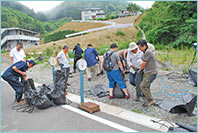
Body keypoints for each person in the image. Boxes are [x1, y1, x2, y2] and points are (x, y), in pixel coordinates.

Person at [137, 39, 158, 107]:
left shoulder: (148, 52)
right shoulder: (145, 52)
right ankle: (148, 98)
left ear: (145, 46)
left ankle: (150, 100)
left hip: (151, 72)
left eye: (140, 48)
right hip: (147, 71)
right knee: (146, 85)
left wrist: (139, 69)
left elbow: (144, 63)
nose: (140, 50)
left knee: (143, 86)